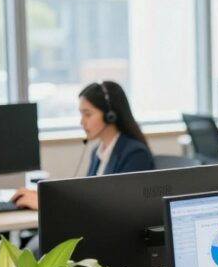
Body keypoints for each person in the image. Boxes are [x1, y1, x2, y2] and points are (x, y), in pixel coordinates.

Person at [10, 81, 153, 210]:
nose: (82, 122)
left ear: (110, 116)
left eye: (88, 114)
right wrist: (44, 198)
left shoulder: (135, 154)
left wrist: (46, 205)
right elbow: (88, 198)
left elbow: (117, 207)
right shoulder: (97, 152)